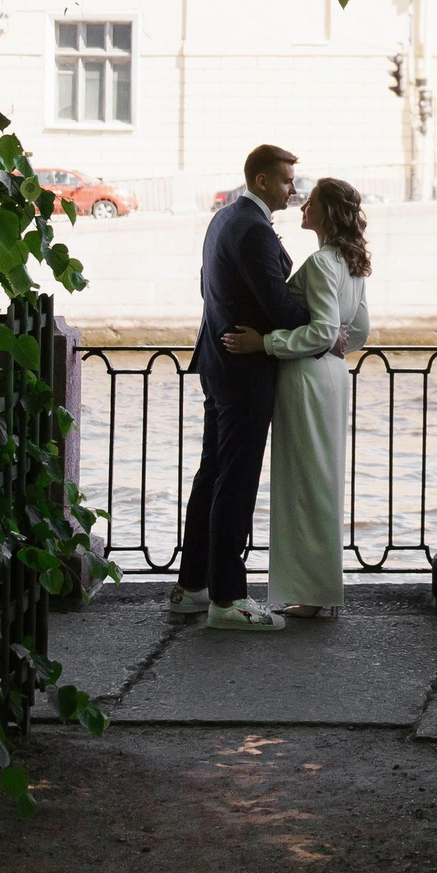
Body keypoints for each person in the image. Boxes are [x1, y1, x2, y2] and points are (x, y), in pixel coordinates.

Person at [222, 176, 372, 618]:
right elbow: (357, 329)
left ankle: (313, 594)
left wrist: (264, 343)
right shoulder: (351, 261)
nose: (301, 204)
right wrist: (337, 341)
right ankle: (319, 590)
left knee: (302, 484)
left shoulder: (322, 263)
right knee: (322, 480)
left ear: (325, 212)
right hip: (334, 375)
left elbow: (324, 331)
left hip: (306, 377)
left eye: (311, 201)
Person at [172, 144, 306, 630]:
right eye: (288, 179)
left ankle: (192, 586)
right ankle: (228, 599)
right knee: (237, 479)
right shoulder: (251, 229)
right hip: (243, 367)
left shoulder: (224, 219)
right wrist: (320, 330)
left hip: (216, 360)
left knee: (213, 473)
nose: (295, 187)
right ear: (263, 181)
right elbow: (276, 303)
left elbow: (210, 285)